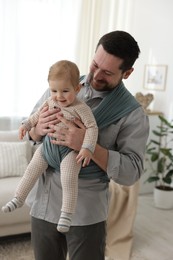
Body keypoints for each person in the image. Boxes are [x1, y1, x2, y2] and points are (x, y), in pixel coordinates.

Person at [24, 31, 149, 260]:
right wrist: (37, 129)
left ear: (127, 73)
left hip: (85, 211)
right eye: (95, 65)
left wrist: (88, 144)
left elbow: (132, 172)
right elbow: (30, 132)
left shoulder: (132, 114)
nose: (96, 75)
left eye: (108, 72)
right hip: (44, 199)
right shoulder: (64, 84)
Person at [1, 60, 98, 233]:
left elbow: (92, 127)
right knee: (31, 170)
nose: (59, 96)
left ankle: (66, 214)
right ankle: (19, 198)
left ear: (77, 89)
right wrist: (26, 125)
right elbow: (36, 117)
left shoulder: (81, 108)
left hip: (70, 152)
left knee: (68, 179)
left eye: (65, 91)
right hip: (48, 147)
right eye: (54, 91)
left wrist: (87, 147)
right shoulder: (49, 102)